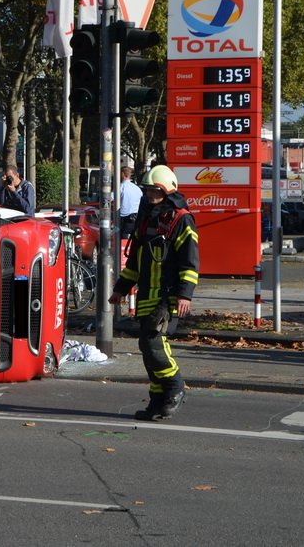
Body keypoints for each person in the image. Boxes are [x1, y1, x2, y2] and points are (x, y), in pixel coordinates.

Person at [108, 165, 199, 421]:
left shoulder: (181, 220)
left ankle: (175, 387)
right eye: (147, 191)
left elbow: (190, 262)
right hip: (147, 295)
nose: (150, 196)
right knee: (147, 349)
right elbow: (136, 261)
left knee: (154, 344)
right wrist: (121, 289)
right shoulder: (146, 219)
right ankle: (158, 401)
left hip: (167, 297)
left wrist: (185, 295)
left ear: (167, 191)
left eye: (155, 192)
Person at [118, 165, 142, 240]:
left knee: (122, 239)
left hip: (123, 219)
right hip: (135, 218)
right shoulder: (137, 189)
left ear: (122, 174)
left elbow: (109, 199)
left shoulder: (121, 187)